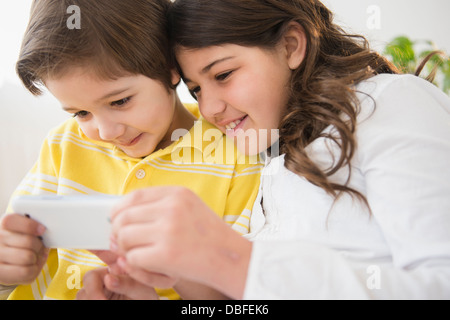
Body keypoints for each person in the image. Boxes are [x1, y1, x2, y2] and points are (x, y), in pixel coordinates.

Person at [80, 0, 450, 300]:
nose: (208, 109)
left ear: (291, 46)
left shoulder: (389, 104)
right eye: (196, 90)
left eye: (222, 75)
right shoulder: (270, 158)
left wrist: (232, 259)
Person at [0, 0, 262, 300]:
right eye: (81, 113)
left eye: (120, 102)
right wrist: (9, 265)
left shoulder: (236, 154)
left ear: (170, 68)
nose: (106, 132)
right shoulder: (64, 145)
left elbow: (236, 296)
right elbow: (16, 241)